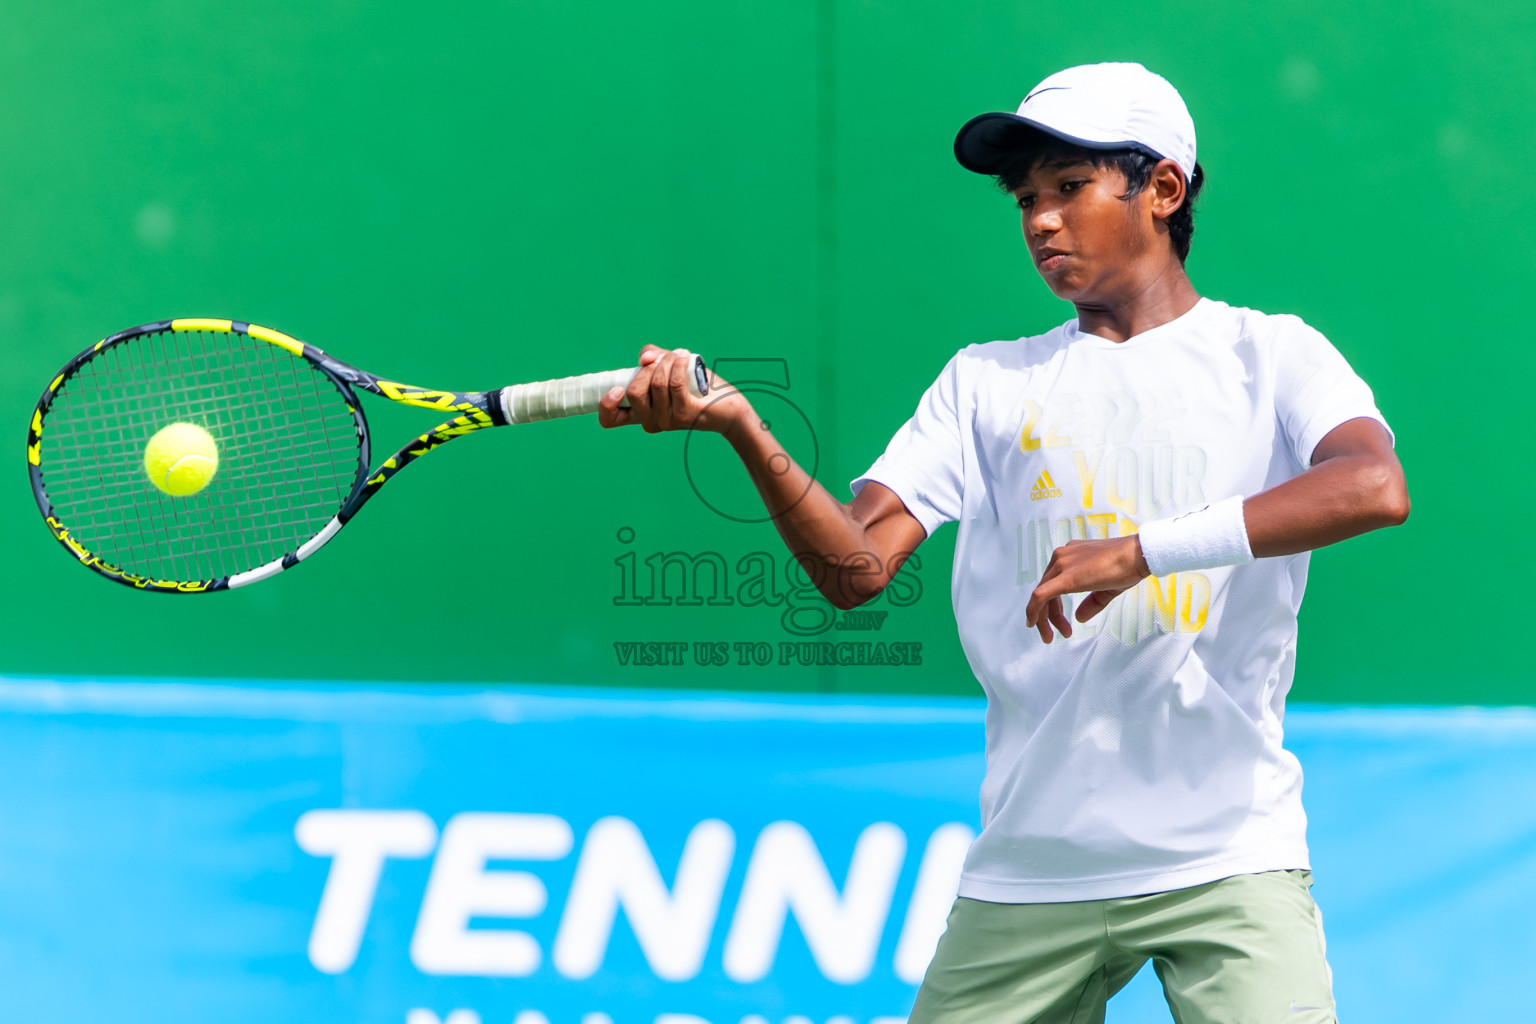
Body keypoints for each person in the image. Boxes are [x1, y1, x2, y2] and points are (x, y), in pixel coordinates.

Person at [599, 61, 1408, 1024]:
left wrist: (1143, 551)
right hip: (1031, 870)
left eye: (1070, 188)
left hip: (1228, 854)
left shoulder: (1271, 353)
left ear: (1163, 190)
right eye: (1026, 198)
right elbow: (856, 565)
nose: (1040, 221)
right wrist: (741, 427)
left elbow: (1371, 486)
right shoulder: (984, 383)